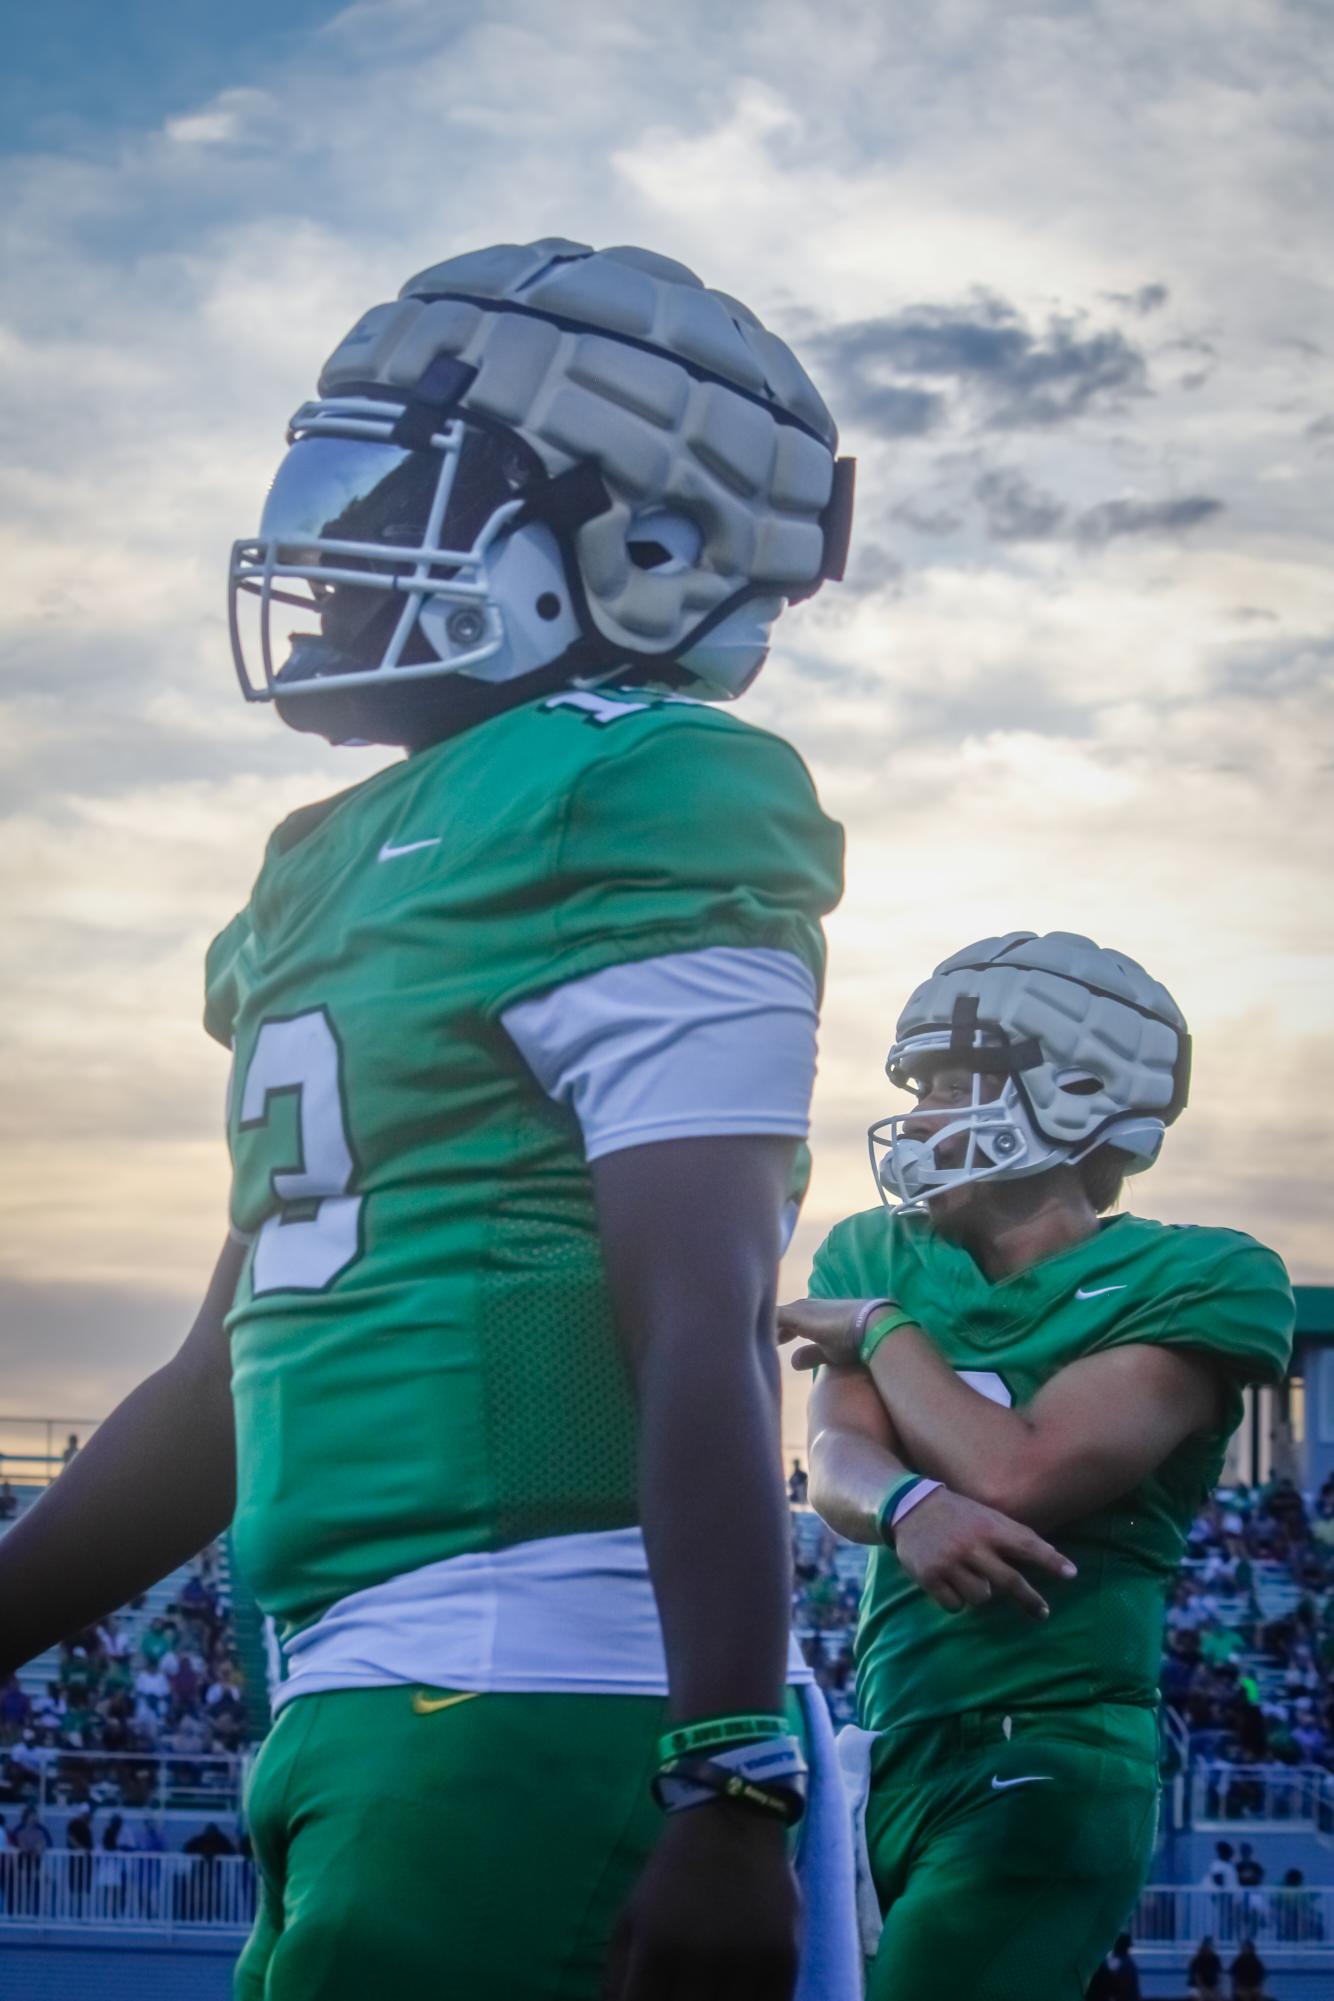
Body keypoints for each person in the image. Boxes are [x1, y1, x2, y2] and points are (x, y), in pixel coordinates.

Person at [0, 239, 857, 2001]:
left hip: (537, 1685)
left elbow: (699, 1308)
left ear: (639, 547)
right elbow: (214, 1387)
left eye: (408, 490)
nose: (333, 545)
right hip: (352, 1704)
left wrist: (727, 1763)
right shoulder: (330, 858)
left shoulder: (641, 780)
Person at [780, 930, 1295, 2001]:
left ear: (1075, 1091)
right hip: (888, 1739)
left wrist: (880, 1330)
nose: (918, 1117)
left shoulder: (1200, 1275)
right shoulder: (875, 1246)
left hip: (1053, 1739)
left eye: (948, 1084)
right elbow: (835, 1465)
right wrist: (908, 1503)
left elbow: (1020, 1475)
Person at [1188, 1936, 1224, 2001]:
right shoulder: (1198, 1959)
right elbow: (1197, 1977)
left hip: (1212, 1987)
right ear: (1204, 1946)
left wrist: (1216, 1990)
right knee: (1198, 1997)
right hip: (1197, 1987)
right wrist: (1204, 1990)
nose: (1210, 1947)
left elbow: (1219, 1975)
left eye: (1211, 1945)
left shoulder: (1215, 1959)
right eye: (1208, 1945)